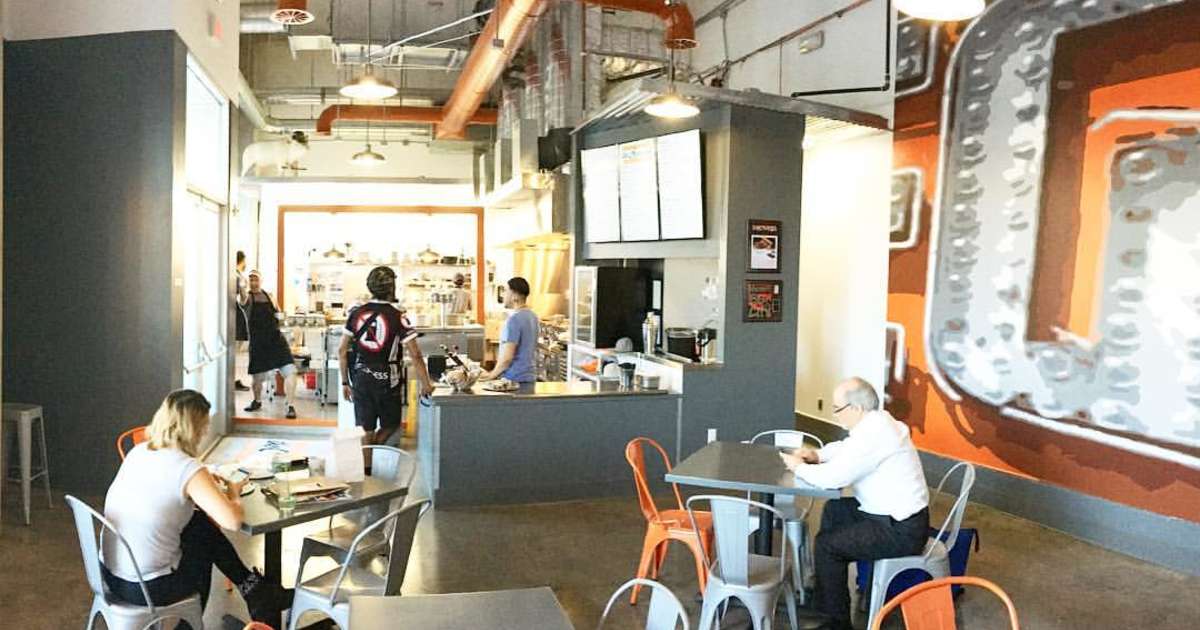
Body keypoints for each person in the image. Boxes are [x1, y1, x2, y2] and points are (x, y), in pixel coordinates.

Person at [102, 390, 291, 624]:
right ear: (194, 428)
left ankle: (254, 590)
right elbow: (232, 521)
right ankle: (246, 596)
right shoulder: (186, 467)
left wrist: (203, 485)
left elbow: (160, 495)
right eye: (204, 426)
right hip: (148, 588)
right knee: (203, 546)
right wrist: (233, 492)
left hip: (112, 577)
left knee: (197, 523)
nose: (205, 432)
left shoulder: (139, 452)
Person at [779, 377, 930, 630]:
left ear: (856, 408)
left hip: (901, 529)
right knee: (835, 509)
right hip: (892, 517)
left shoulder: (875, 435)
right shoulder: (877, 423)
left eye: (837, 408)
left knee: (828, 546)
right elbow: (846, 448)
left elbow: (833, 478)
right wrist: (817, 455)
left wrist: (799, 467)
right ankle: (826, 598)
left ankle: (837, 622)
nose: (835, 414)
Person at [339, 267, 435, 457]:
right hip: (388, 380)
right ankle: (373, 450)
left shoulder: (356, 314)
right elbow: (415, 354)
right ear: (392, 288)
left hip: (361, 377)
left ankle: (366, 467)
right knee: (391, 424)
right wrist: (426, 384)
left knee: (365, 428)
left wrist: (344, 382)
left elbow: (342, 350)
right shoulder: (398, 316)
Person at [244, 270, 298, 419]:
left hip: (276, 340)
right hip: (258, 343)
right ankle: (257, 401)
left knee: (291, 372)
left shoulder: (270, 296)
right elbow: (242, 298)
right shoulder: (247, 298)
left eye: (256, 279)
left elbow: (279, 314)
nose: (253, 282)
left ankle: (290, 405)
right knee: (257, 378)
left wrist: (285, 323)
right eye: (251, 279)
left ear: (261, 281)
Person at [481, 277, 539, 383]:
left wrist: (491, 375)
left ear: (515, 296)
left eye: (506, 291)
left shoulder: (514, 319)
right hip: (529, 377)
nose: (503, 294)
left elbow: (507, 358)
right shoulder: (533, 316)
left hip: (514, 379)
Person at [234, 250, 250, 392]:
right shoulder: (239, 276)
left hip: (227, 313)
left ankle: (231, 378)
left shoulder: (228, 273)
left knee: (232, 350)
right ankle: (233, 379)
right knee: (235, 350)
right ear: (242, 261)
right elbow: (244, 299)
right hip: (236, 313)